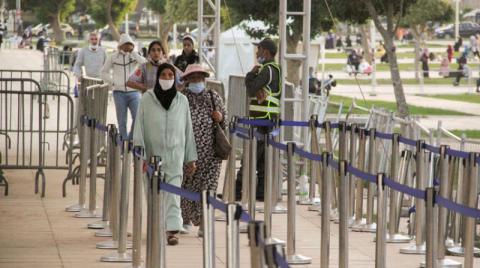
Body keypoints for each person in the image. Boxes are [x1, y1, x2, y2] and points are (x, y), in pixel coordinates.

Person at [133, 63, 197, 245]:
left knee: (174, 195)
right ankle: (156, 226)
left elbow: (187, 129)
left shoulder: (182, 101)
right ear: (158, 77)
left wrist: (190, 158)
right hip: (152, 157)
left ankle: (172, 230)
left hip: (175, 156)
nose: (167, 78)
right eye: (164, 74)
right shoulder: (147, 98)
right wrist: (141, 154)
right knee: (153, 194)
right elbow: (139, 126)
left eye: (171, 75)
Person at [179, 64, 227, 235]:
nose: (197, 80)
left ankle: (204, 223)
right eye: (192, 77)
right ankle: (185, 219)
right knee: (187, 185)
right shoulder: (181, 97)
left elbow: (224, 121)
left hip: (211, 154)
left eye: (200, 77)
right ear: (186, 80)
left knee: (209, 187)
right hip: (187, 152)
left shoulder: (213, 96)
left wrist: (219, 117)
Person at [235, 38, 281, 201]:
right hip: (266, 120)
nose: (256, 53)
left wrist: (251, 74)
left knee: (250, 156)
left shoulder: (267, 70)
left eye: (259, 49)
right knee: (261, 160)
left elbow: (251, 89)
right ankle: (261, 193)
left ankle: (237, 190)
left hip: (262, 120)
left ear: (266, 52)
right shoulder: (273, 69)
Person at [101, 33, 146, 140]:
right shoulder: (113, 57)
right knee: (122, 121)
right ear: (120, 45)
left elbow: (145, 64)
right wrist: (113, 82)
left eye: (130, 44)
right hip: (118, 93)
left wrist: (134, 53)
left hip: (134, 92)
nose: (128, 46)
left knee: (138, 117)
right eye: (126, 44)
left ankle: (129, 140)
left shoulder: (134, 56)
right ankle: (123, 145)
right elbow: (104, 72)